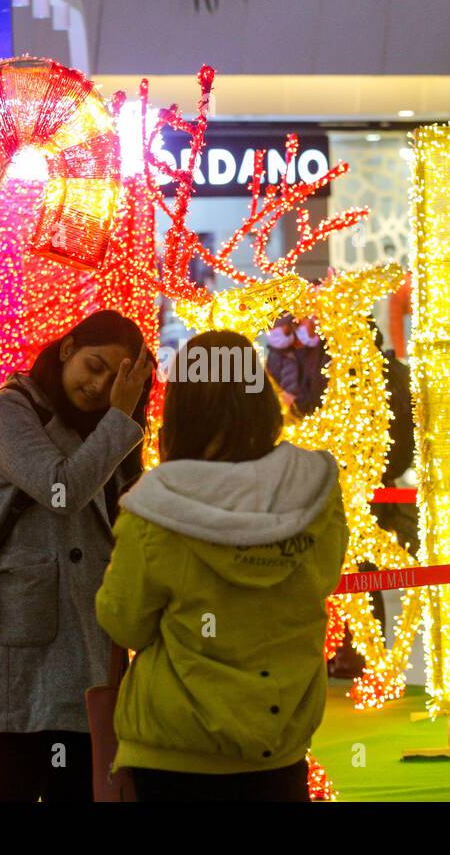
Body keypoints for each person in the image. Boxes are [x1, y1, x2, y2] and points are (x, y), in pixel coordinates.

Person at [96, 330, 349, 801]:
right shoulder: (314, 487)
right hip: (280, 741)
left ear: (180, 406)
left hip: (174, 749)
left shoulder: (156, 503)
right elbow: (326, 574)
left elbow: (125, 622)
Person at [0, 310, 154, 802]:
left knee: (85, 788)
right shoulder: (9, 408)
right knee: (16, 785)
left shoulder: (107, 428)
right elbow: (61, 488)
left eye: (114, 380)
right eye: (94, 365)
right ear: (67, 348)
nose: (99, 385)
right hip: (27, 632)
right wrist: (120, 419)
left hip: (92, 630)